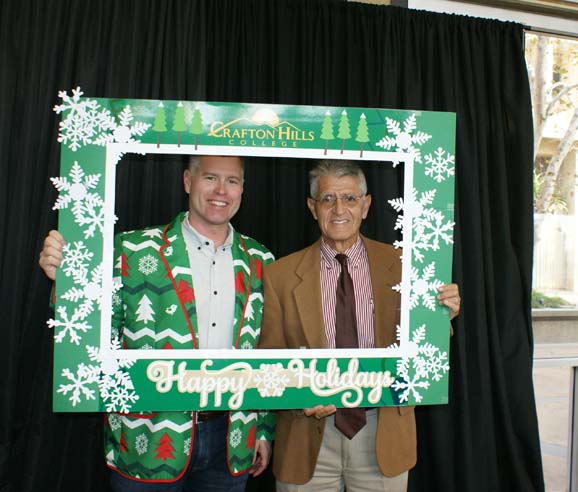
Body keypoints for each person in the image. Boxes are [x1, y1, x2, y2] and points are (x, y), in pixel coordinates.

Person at [39, 155, 273, 491]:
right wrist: (66, 278)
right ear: (188, 181)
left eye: (232, 181)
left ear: (242, 189)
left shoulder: (261, 260)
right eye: (210, 178)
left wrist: (263, 430)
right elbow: (89, 328)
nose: (221, 190)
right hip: (145, 439)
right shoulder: (131, 250)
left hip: (231, 440)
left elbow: (268, 350)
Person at [258, 160, 460, 491]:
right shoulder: (279, 275)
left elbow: (425, 348)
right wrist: (300, 395)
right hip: (307, 436)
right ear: (312, 207)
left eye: (350, 199)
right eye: (328, 199)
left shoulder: (405, 267)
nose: (339, 209)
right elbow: (270, 358)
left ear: (366, 206)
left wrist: (442, 318)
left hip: (383, 433)